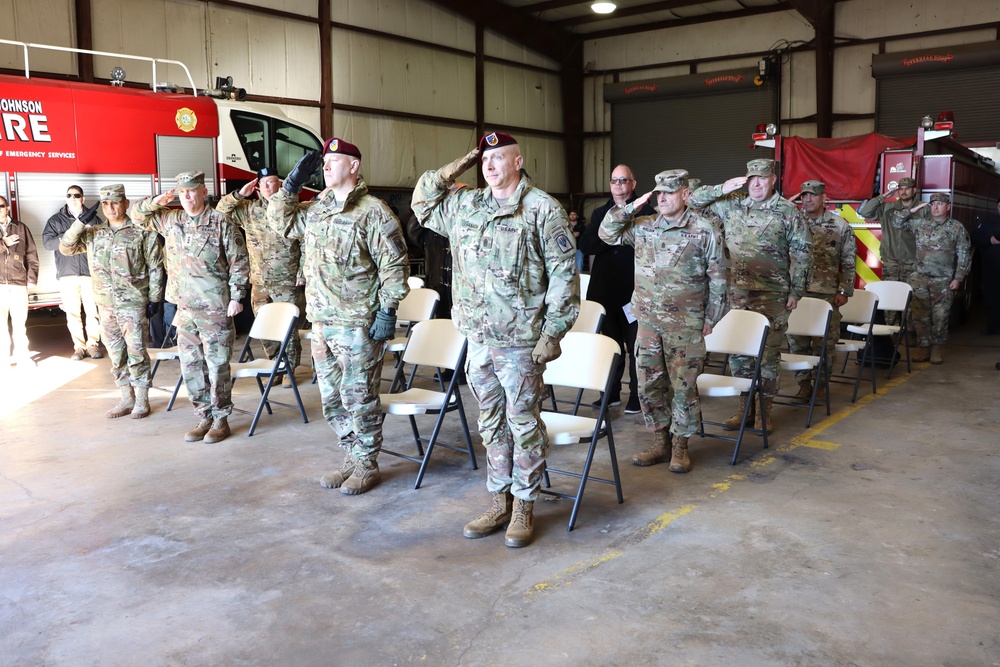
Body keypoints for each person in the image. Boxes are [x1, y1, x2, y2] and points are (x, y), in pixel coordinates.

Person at [412, 131, 579, 548]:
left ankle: (525, 504)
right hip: (479, 339)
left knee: (522, 423)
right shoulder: (466, 206)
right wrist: (460, 162)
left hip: (521, 342)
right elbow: (422, 202)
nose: (489, 166)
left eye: (498, 158)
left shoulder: (542, 210)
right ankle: (498, 499)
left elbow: (563, 275)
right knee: (489, 424)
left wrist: (553, 332)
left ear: (518, 161)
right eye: (484, 160)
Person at [269, 138, 409, 495]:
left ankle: (367, 462)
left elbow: (394, 266)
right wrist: (291, 186)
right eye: (324, 161)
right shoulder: (318, 207)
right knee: (332, 398)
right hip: (322, 321)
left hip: (358, 323)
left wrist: (389, 310)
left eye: (335, 160)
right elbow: (280, 224)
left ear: (354, 167)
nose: (326, 166)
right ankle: (351, 454)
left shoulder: (374, 211)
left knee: (359, 396)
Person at [599, 170, 727, 473]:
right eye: (659, 193)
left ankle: (681, 446)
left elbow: (720, 278)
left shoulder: (705, 230)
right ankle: (660, 442)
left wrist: (712, 317)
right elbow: (606, 233)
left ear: (685, 194)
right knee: (648, 385)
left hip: (686, 324)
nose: (663, 198)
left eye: (670, 192)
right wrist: (631, 206)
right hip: (647, 323)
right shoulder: (644, 226)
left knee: (683, 386)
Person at [689, 158, 812, 434]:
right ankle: (745, 409)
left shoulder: (788, 211)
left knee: (767, 355)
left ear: (773, 180)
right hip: (738, 293)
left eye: (762, 178)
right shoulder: (733, 203)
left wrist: (797, 291)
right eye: (752, 178)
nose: (756, 183)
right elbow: (694, 201)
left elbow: (803, 252)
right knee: (739, 353)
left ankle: (764, 412)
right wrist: (722, 187)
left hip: (773, 293)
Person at [130, 171, 249, 443]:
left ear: (203, 191)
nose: (186, 196)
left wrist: (237, 296)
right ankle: (203, 416)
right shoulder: (171, 220)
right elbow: (137, 217)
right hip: (184, 308)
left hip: (215, 306)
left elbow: (239, 261)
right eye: (181, 191)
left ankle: (220, 419)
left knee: (217, 365)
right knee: (190, 365)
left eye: (192, 190)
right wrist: (155, 201)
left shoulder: (221, 222)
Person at [59, 184, 165, 418]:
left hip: (133, 304)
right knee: (116, 354)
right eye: (105, 203)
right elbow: (65, 248)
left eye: (115, 202)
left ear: (126, 204)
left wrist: (155, 299)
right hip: (106, 306)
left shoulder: (141, 231)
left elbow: (156, 267)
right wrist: (80, 222)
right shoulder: (94, 233)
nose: (110, 207)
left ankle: (142, 400)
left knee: (137, 353)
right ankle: (126, 399)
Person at [216, 167, 306, 386]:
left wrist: (303, 271)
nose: (268, 187)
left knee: (289, 326)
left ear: (281, 185)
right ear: (257, 189)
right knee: (266, 326)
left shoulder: (292, 208)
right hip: (259, 282)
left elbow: (306, 242)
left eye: (272, 182)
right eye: (263, 183)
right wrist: (239, 195)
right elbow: (220, 212)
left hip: (286, 279)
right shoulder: (249, 210)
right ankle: (276, 364)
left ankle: (290, 370)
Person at [579, 164, 655, 414]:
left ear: (633, 184)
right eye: (615, 180)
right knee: (608, 347)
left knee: (636, 348)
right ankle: (610, 393)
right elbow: (586, 244)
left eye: (624, 180)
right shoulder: (601, 212)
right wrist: (611, 238)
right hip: (605, 291)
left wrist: (610, 238)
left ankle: (636, 396)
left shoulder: (647, 212)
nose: (619, 184)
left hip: (635, 292)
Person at [788, 180, 856, 402]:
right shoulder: (793, 221)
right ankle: (803, 385)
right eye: (804, 196)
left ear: (823, 198)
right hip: (797, 292)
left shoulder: (839, 225)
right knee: (797, 342)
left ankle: (820, 385)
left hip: (826, 294)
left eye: (813, 195)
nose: (807, 200)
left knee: (824, 344)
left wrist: (844, 291)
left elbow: (848, 260)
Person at [893, 193, 971, 364]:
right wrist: (917, 208)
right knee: (920, 316)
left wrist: (958, 278)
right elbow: (897, 221)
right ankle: (923, 348)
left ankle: (936, 348)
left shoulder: (956, 228)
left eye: (940, 204)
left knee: (940, 316)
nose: (935, 207)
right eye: (933, 204)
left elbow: (964, 254)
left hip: (942, 280)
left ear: (948, 207)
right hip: (919, 278)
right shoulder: (921, 224)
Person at [858, 177, 928, 334]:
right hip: (891, 260)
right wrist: (883, 196)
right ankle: (891, 334)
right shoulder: (888, 207)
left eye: (907, 188)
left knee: (912, 300)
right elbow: (864, 212)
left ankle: (910, 334)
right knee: (890, 298)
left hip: (913, 261)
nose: (903, 191)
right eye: (900, 188)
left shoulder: (923, 210)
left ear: (914, 190)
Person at [42, 185, 102, 360]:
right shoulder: (55, 220)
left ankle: (93, 345)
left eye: (77, 195)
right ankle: (79, 347)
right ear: (66, 198)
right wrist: (67, 238)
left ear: (82, 199)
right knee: (73, 313)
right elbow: (48, 243)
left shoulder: (95, 219)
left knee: (93, 312)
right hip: (67, 274)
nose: (73, 198)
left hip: (90, 273)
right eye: (69, 195)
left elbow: (103, 243)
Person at [0, 195, 39, 366]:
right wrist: (4, 243)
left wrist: (31, 279)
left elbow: (31, 254)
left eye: (1, 205)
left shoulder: (21, 228)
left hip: (18, 283)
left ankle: (23, 356)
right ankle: (3, 358)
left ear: (7, 208)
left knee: (19, 324)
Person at [971, 199, 1000, 336]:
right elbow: (975, 238)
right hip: (991, 270)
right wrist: (990, 240)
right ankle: (992, 327)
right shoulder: (988, 223)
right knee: (991, 298)